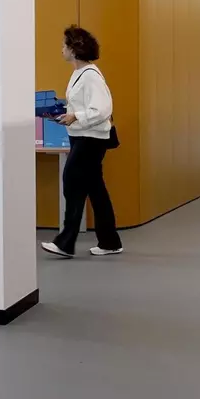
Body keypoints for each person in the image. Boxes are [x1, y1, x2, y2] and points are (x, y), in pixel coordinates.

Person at [41, 25, 123, 258]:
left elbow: (102, 109)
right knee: (96, 189)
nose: (62, 49)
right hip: (81, 136)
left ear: (74, 49)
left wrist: (76, 116)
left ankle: (66, 242)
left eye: (64, 45)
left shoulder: (90, 76)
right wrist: (67, 113)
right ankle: (110, 241)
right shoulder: (79, 74)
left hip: (91, 138)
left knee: (72, 182)